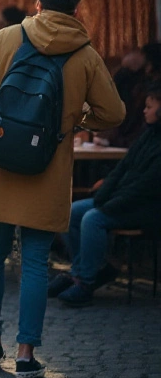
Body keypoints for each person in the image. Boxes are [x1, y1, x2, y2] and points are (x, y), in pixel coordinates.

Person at [0, 0, 125, 378]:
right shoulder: (85, 55)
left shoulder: (5, 37)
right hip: (49, 168)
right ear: (76, 12)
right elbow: (114, 113)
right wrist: (75, 120)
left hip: (0, 162)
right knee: (36, 261)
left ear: (36, 4)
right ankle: (25, 354)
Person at [49, 83, 161, 307]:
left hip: (145, 207)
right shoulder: (148, 135)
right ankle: (80, 270)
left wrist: (108, 203)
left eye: (150, 106)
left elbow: (145, 187)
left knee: (93, 219)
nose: (144, 110)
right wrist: (105, 194)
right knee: (71, 212)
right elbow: (123, 168)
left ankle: (85, 283)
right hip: (122, 199)